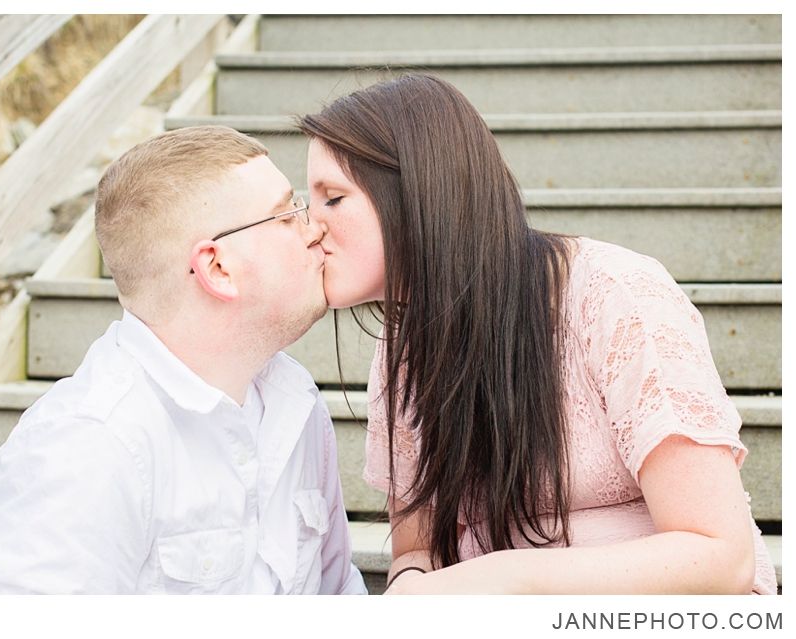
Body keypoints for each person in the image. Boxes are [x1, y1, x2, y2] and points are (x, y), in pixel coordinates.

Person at [298, 74, 777, 594]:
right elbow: (417, 546)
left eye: (333, 198)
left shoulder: (614, 293)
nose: (309, 226)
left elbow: (721, 557)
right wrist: (411, 586)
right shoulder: (405, 347)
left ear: (415, 189)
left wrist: (502, 578)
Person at [0, 126, 366, 595]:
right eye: (288, 213)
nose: (316, 229)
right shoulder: (88, 450)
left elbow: (338, 593)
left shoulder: (296, 403)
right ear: (217, 268)